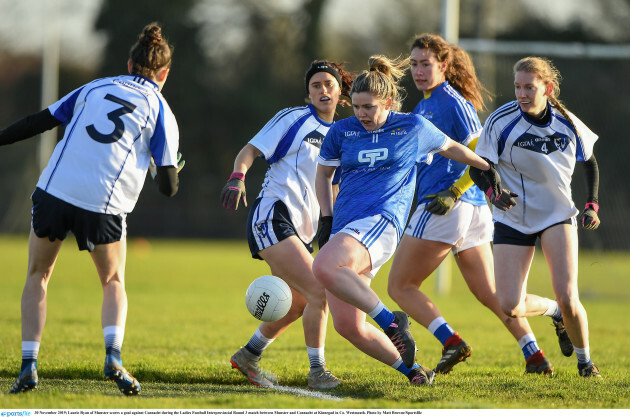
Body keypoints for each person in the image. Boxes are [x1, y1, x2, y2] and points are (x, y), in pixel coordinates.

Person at [2, 23, 184, 395]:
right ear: (164, 74)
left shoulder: (95, 87)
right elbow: (167, 187)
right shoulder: (161, 110)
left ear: (129, 64)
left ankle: (28, 365)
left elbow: (39, 122)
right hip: (103, 203)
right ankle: (113, 356)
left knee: (38, 274)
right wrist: (167, 167)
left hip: (55, 190)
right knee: (113, 281)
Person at [312, 55, 502, 386]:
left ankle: (392, 321)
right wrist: (326, 219)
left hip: (381, 222)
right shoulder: (342, 131)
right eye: (356, 106)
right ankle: (413, 372)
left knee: (323, 266)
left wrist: (485, 168)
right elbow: (323, 175)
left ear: (387, 102)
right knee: (348, 326)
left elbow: (453, 147)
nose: (361, 114)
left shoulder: (412, 127)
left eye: (369, 107)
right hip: (347, 228)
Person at [387, 34, 561, 376]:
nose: (419, 71)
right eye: (415, 64)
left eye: (426, 64)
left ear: (444, 65)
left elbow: (480, 145)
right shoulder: (425, 105)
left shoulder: (451, 101)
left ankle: (450, 340)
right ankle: (535, 355)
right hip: (471, 211)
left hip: (447, 205)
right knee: (491, 293)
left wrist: (454, 190)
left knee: (400, 286)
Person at [220, 60, 354, 390]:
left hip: (303, 232)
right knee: (319, 291)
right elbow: (250, 150)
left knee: (297, 302)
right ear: (308, 93)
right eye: (316, 85)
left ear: (340, 91)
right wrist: (238, 177)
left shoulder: (344, 135)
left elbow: (334, 188)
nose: (323, 89)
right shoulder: (294, 118)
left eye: (329, 84)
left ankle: (249, 355)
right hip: (272, 216)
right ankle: (317, 371)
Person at [470, 56, 601, 378]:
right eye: (517, 87)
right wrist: (492, 193)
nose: (522, 93)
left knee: (570, 297)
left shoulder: (568, 121)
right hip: (513, 219)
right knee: (509, 306)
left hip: (557, 215)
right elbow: (478, 167)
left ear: (548, 88)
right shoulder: (501, 121)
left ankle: (586, 363)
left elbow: (590, 162)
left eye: (529, 87)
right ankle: (554, 313)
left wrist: (592, 204)